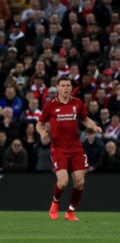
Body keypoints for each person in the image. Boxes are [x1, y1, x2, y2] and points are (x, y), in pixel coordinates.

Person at [36, 77, 103, 221]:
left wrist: (94, 126)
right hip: (59, 148)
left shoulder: (77, 103)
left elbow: (85, 119)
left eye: (68, 85)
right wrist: (41, 132)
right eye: (63, 86)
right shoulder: (51, 105)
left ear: (71, 88)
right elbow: (39, 123)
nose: (66, 88)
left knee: (80, 182)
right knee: (63, 182)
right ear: (58, 88)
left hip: (76, 148)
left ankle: (71, 212)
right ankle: (55, 202)